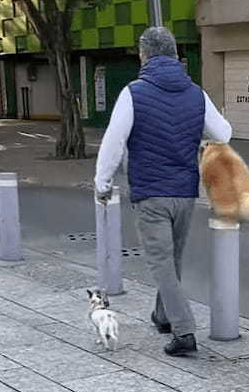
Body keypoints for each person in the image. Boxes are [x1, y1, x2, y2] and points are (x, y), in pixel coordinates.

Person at [95, 27, 232, 357]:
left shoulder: (134, 92)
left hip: (151, 193)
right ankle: (163, 316)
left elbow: (114, 141)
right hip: (184, 192)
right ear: (174, 54)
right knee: (172, 260)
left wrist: (102, 183)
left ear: (144, 55)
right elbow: (224, 133)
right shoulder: (195, 92)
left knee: (161, 263)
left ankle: (184, 332)